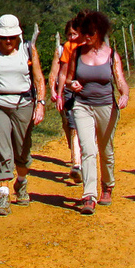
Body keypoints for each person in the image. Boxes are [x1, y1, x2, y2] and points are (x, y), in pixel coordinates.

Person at [0, 14, 46, 216]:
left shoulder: (28, 50)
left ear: (18, 36)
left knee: (22, 151)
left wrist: (40, 104)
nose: (8, 41)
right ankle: (3, 196)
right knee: (1, 148)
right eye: (4, 37)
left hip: (24, 103)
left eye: (12, 37)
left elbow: (39, 79)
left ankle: (21, 182)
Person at [65, 11, 130, 215]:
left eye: (91, 33)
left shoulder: (111, 55)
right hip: (82, 105)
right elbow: (68, 78)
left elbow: (120, 79)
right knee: (88, 148)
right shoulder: (77, 53)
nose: (87, 37)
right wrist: (72, 84)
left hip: (106, 107)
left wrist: (124, 94)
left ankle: (107, 185)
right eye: (85, 33)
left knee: (105, 149)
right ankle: (89, 195)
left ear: (100, 32)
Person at [49, 13, 85, 183]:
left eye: (74, 34)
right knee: (70, 126)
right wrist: (56, 91)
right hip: (69, 90)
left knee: (79, 128)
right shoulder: (65, 49)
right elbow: (57, 73)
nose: (71, 37)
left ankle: (79, 162)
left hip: (85, 91)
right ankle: (76, 160)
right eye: (69, 34)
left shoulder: (88, 46)